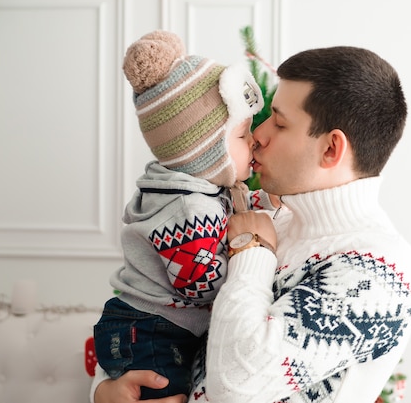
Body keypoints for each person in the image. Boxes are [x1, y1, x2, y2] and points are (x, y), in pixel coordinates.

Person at [92, 45, 411, 403]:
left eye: (279, 123)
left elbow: (234, 386)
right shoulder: (269, 220)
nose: (259, 135)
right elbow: (163, 319)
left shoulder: (379, 270)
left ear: (331, 149)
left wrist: (252, 251)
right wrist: (106, 393)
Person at [92, 30, 275, 400]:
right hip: (150, 330)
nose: (254, 140)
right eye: (241, 136)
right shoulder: (190, 207)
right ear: (203, 152)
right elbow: (198, 284)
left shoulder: (196, 189)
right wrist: (252, 254)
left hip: (150, 324)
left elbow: (234, 210)